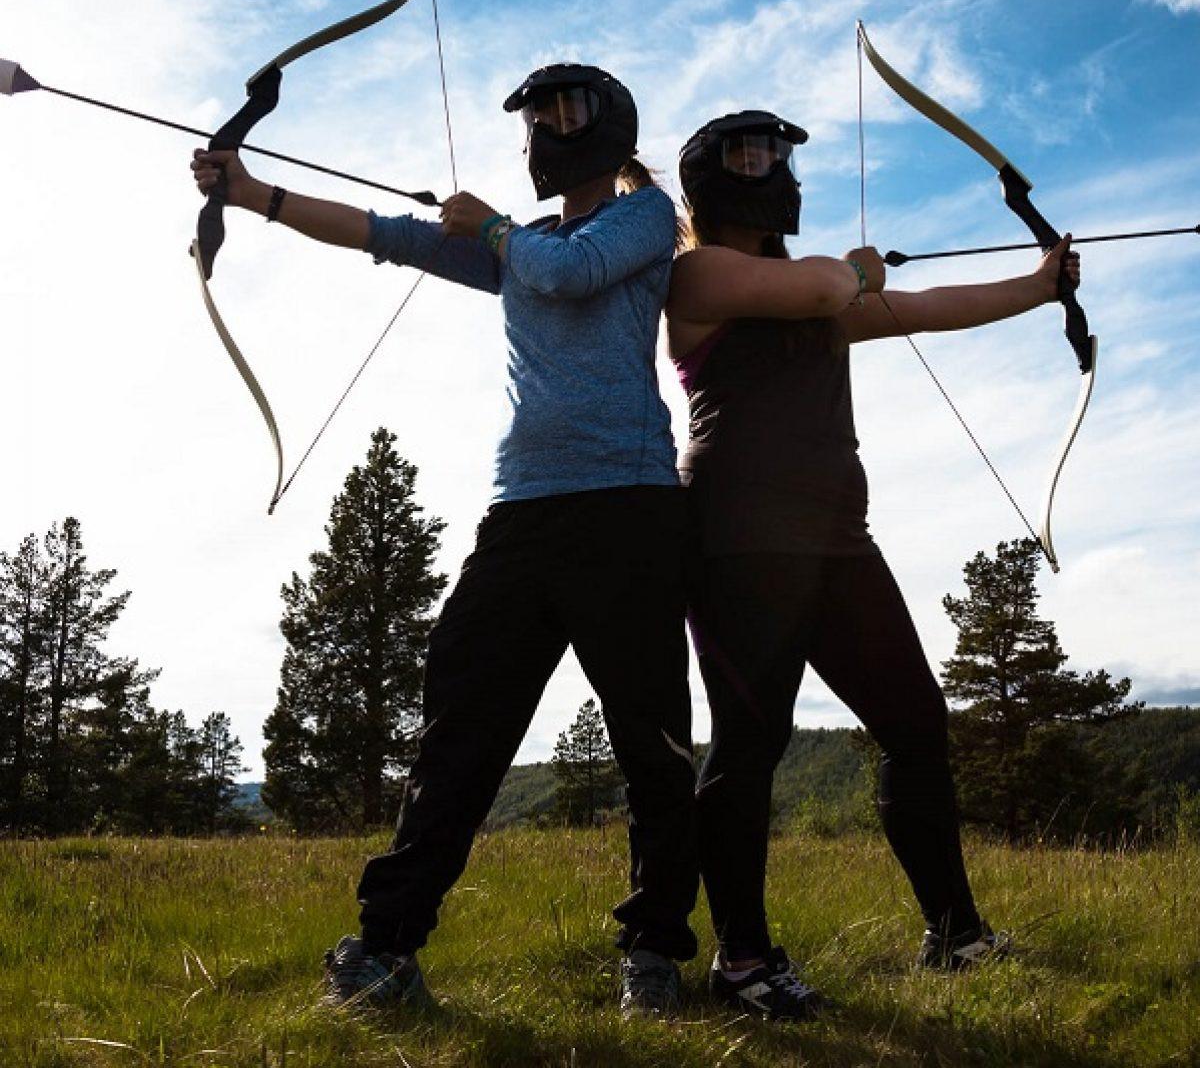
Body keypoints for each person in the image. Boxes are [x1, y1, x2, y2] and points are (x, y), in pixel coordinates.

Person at [191, 64, 699, 1017]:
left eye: (563, 109)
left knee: (651, 742)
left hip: (629, 509)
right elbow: (380, 235)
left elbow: (570, 269)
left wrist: (495, 229)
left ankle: (655, 954)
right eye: (536, 115)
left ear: (606, 122)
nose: (547, 126)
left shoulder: (643, 217)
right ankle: (385, 948)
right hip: (524, 514)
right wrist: (252, 193)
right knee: (461, 732)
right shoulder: (516, 243)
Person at [667, 110, 1081, 1020]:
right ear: (710, 175)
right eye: (749, 153)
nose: (768, 166)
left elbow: (930, 308)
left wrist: (1042, 284)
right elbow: (829, 289)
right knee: (751, 744)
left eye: (775, 152)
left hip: (833, 535)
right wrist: (854, 271)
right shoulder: (697, 275)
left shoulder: (818, 297)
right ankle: (742, 961)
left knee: (915, 722)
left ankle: (955, 933)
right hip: (737, 535)